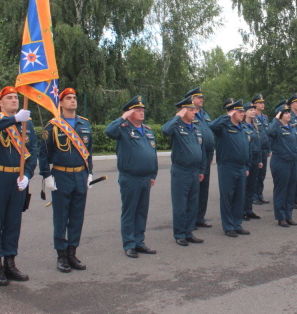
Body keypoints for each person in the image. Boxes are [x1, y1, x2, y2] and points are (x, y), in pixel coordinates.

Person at [0, 86, 37, 286]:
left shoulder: (27, 124)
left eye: (16, 97)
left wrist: (28, 175)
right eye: (9, 98)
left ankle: (10, 263)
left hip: (18, 178)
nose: (14, 100)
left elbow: (33, 151)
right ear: (0, 102)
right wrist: (14, 120)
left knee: (14, 221)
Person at [39, 88, 94, 272]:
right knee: (61, 218)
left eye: (74, 98)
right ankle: (61, 255)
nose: (72, 101)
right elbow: (43, 154)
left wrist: (90, 172)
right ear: (60, 103)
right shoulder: (52, 126)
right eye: (68, 98)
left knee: (77, 217)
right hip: (61, 176)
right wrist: (46, 176)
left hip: (80, 175)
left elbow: (89, 152)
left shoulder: (84, 124)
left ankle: (72, 253)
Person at [105, 95, 159, 257]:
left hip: (145, 177)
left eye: (142, 110)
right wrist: (123, 117)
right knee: (130, 211)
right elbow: (108, 131)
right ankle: (129, 244)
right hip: (130, 177)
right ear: (129, 113)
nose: (141, 112)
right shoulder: (122, 129)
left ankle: (139, 242)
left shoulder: (148, 131)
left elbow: (152, 154)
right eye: (137, 110)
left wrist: (153, 174)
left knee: (142, 211)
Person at [161, 96, 205, 247]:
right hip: (181, 171)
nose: (194, 112)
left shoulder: (196, 127)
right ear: (183, 111)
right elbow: (165, 130)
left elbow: (201, 150)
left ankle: (189, 232)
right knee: (181, 204)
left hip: (194, 171)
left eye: (194, 110)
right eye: (191, 110)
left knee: (193, 204)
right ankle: (179, 234)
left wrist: (201, 169)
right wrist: (177, 116)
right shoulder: (177, 127)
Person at [210, 99, 252, 237]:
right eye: (239, 112)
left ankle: (237, 224)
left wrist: (246, 165)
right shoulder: (223, 127)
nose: (242, 114)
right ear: (232, 112)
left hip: (241, 167)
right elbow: (212, 126)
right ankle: (228, 226)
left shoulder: (243, 127)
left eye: (242, 112)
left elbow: (247, 148)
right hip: (227, 166)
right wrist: (227, 115)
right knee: (228, 197)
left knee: (239, 198)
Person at [268, 103, 297, 227]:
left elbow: (296, 146)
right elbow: (269, 131)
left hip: (292, 162)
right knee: (281, 190)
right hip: (280, 162)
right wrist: (276, 119)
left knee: (291, 190)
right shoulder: (276, 127)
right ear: (280, 115)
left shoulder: (292, 127)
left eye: (289, 112)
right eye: (286, 113)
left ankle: (289, 216)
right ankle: (281, 217)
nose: (289, 114)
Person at [186, 87, 215, 229]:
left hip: (207, 156)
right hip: (196, 155)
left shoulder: (204, 114)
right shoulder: (189, 115)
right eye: (198, 97)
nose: (202, 99)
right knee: (194, 190)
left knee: (204, 189)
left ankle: (200, 217)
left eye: (202, 97)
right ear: (191, 99)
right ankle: (190, 219)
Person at [242, 102, 264, 221]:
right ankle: (242, 211)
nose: (253, 111)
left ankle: (249, 210)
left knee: (252, 186)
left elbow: (258, 144)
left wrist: (260, 159)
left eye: (254, 109)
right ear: (245, 112)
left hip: (255, 159)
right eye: (251, 110)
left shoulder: (255, 126)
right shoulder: (242, 126)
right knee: (244, 186)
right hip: (247, 159)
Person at [252, 94, 271, 204]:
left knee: (262, 174)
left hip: (264, 149)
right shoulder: (252, 117)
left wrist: (268, 149)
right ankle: (254, 196)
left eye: (263, 102)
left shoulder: (265, 118)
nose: (262, 104)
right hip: (256, 149)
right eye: (260, 103)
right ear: (255, 104)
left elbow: (267, 134)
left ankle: (260, 194)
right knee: (255, 173)